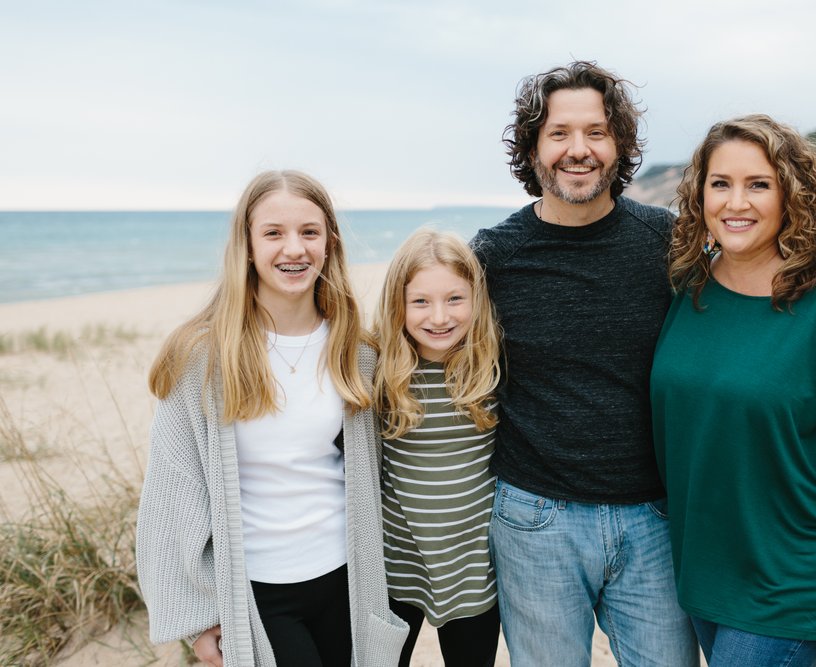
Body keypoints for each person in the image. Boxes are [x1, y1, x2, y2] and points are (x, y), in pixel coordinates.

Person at [650, 115, 816, 667]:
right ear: (700, 194)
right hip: (698, 578)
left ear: (791, 194)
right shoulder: (688, 290)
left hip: (788, 586)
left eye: (758, 184)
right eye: (720, 183)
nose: (735, 202)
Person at [471, 60, 699, 666]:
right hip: (533, 518)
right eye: (560, 133)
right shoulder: (493, 256)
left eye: (596, 132)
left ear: (619, 143)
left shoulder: (669, 242)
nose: (579, 150)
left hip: (655, 518)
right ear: (533, 148)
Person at [135, 170, 408, 667]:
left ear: (329, 243)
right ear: (247, 245)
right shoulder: (201, 358)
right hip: (259, 592)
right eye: (273, 233)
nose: (294, 249)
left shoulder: (358, 352)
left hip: (348, 581)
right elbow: (172, 496)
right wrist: (200, 615)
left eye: (309, 232)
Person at [372, 228, 503, 666]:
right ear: (399, 304)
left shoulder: (490, 367)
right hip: (398, 559)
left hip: (472, 566)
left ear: (476, 299)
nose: (440, 316)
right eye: (421, 302)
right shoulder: (380, 372)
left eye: (454, 299)